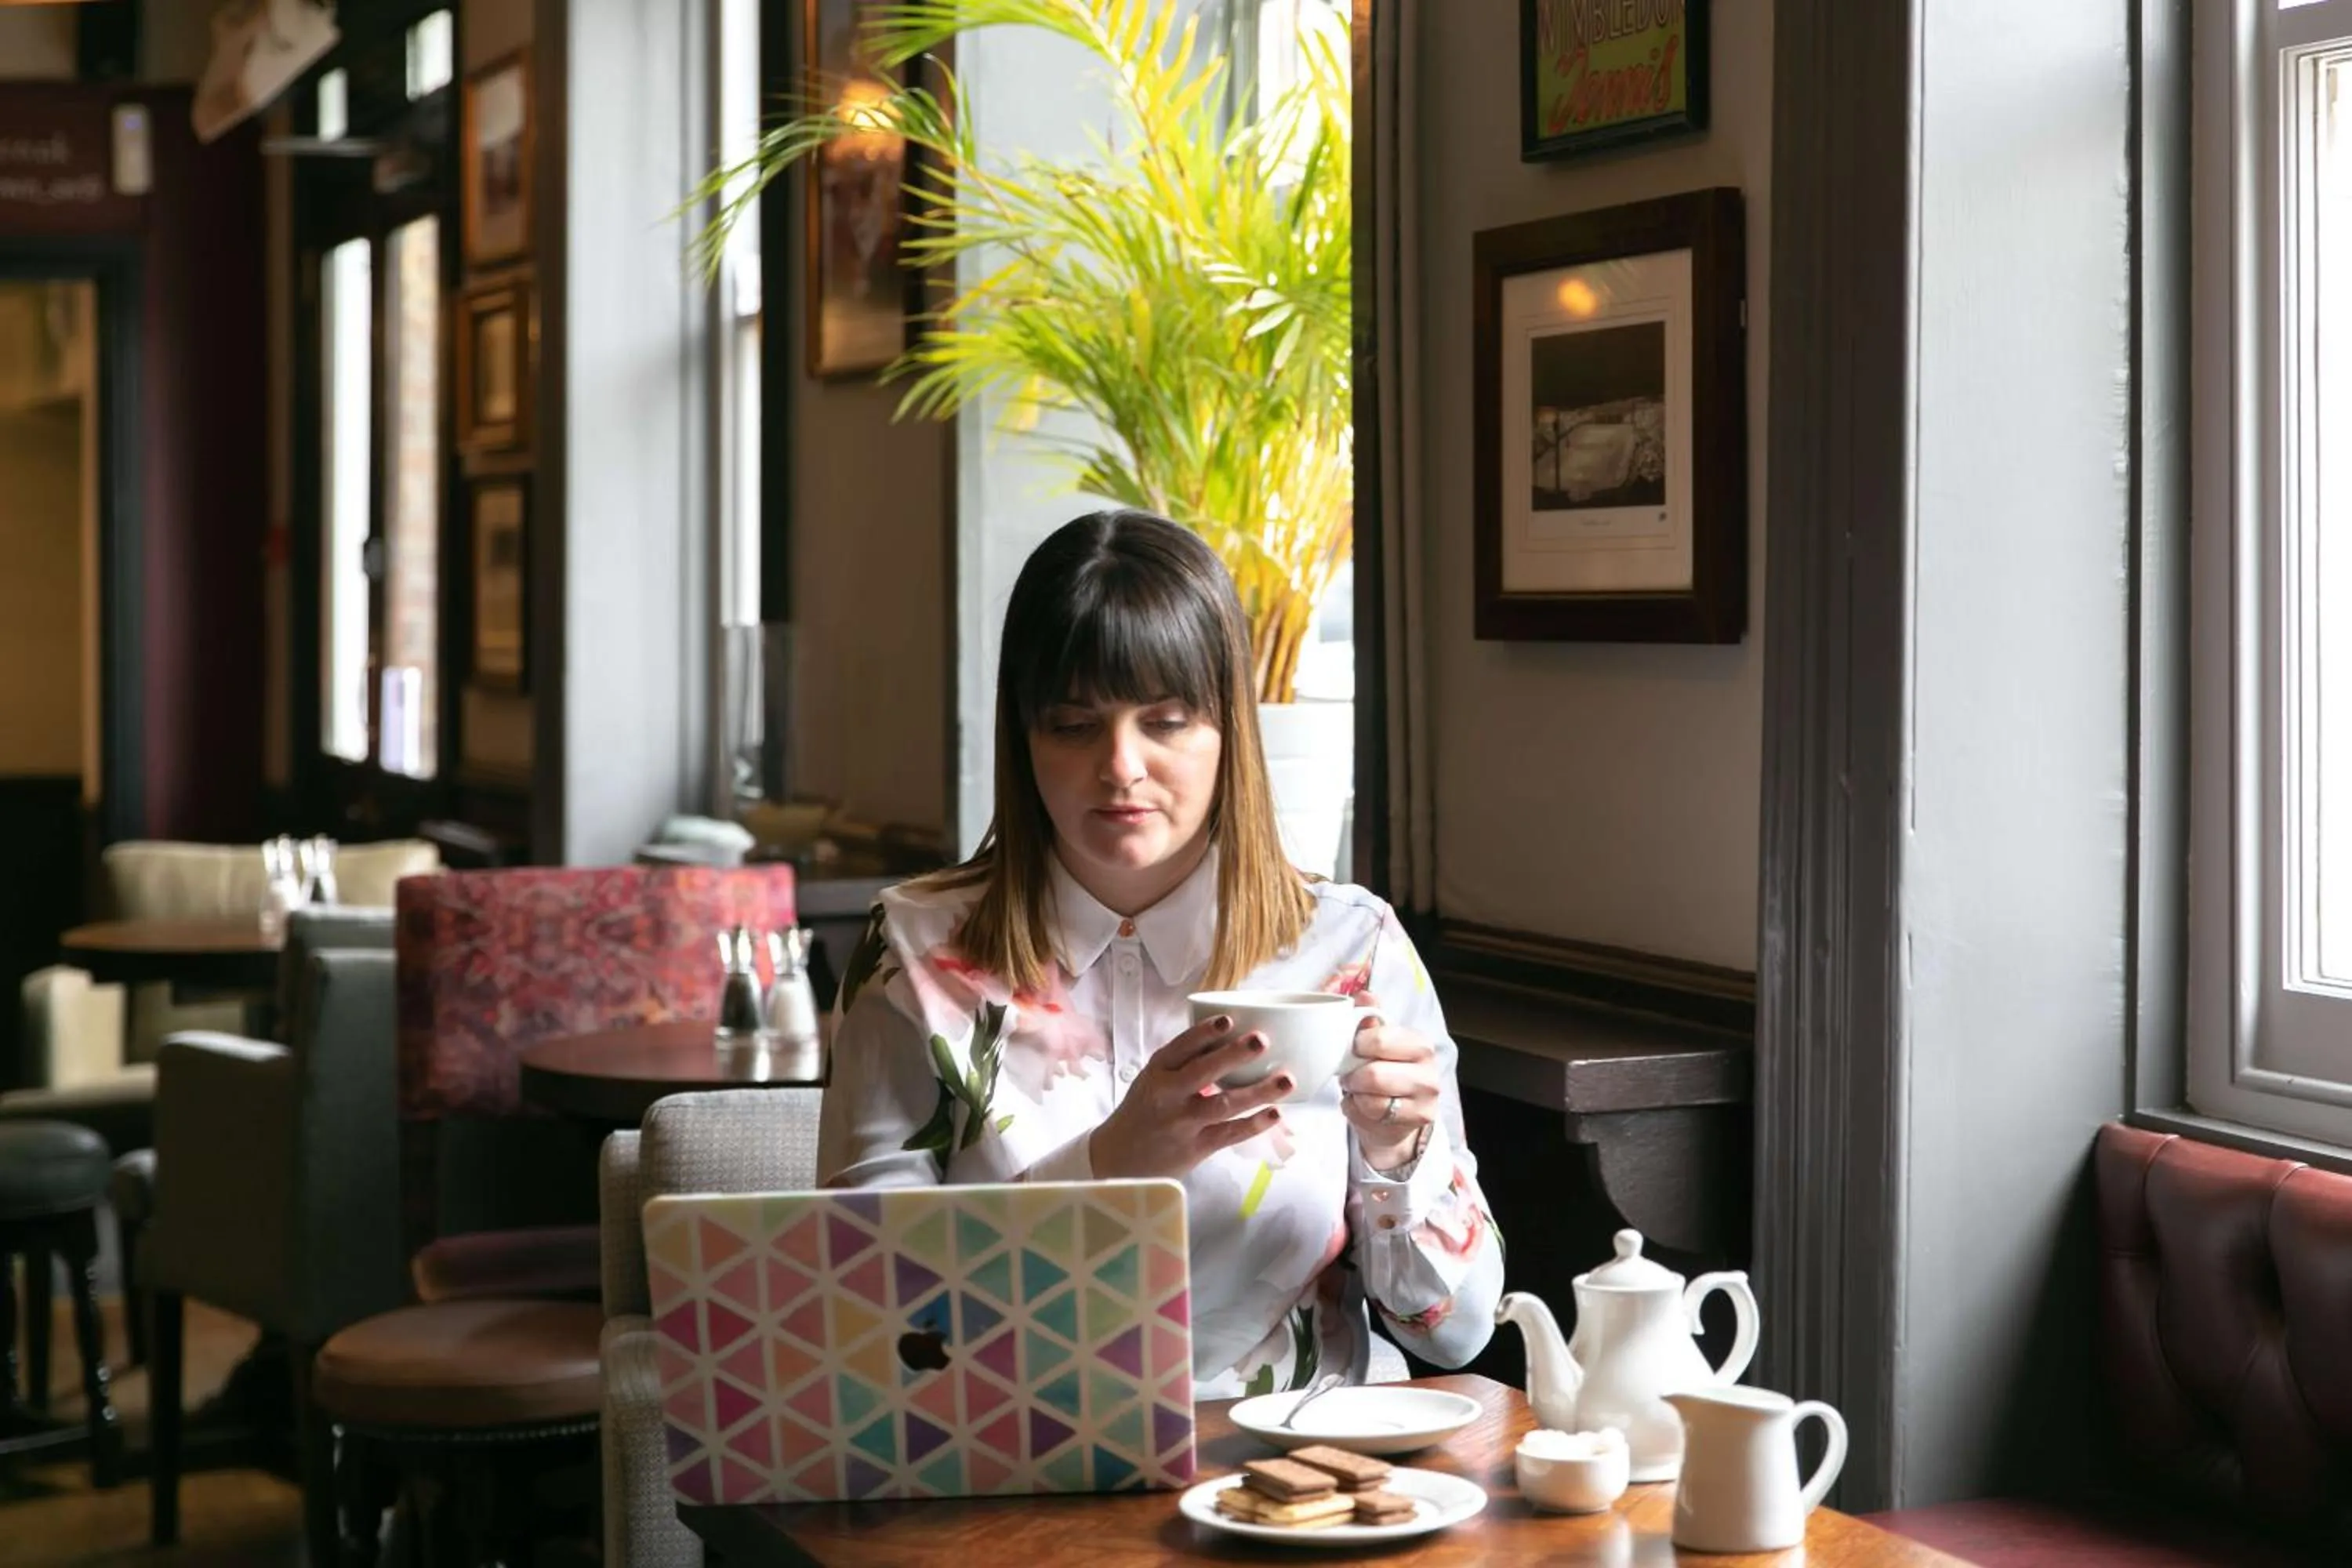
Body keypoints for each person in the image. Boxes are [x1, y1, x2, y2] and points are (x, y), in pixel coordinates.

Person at [816, 510, 1502, 1398]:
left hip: (1301, 1473)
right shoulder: (914, 950)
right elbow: (866, 1316)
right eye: (1072, 724)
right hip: (1017, 1465)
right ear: (1023, 738)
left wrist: (1402, 1159)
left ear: (1229, 734)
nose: (1121, 765)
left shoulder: (1351, 947)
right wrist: (1107, 1166)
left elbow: (1459, 1330)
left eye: (1168, 721)